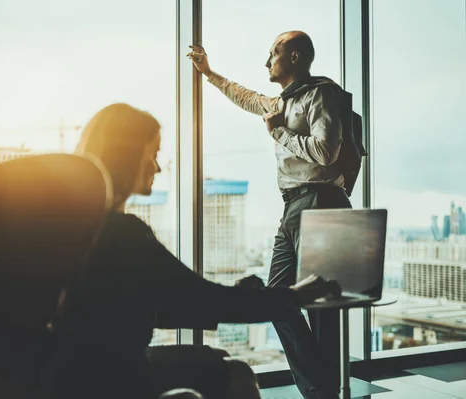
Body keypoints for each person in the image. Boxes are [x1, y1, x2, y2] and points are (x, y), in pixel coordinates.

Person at [47, 103, 341, 399]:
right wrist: (293, 296)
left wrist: (234, 295)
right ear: (127, 158)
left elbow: (160, 306)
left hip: (73, 378)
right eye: (152, 155)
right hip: (117, 380)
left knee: (217, 359)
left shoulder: (72, 228)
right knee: (236, 374)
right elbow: (206, 300)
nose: (158, 167)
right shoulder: (123, 234)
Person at [187, 31, 353, 399]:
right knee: (279, 295)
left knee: (319, 305)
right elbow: (245, 97)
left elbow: (326, 152)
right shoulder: (280, 101)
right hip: (294, 204)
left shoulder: (319, 94)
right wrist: (209, 73)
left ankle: (320, 391)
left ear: (294, 57)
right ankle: (321, 386)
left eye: (273, 54)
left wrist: (278, 132)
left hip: (321, 199)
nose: (267, 62)